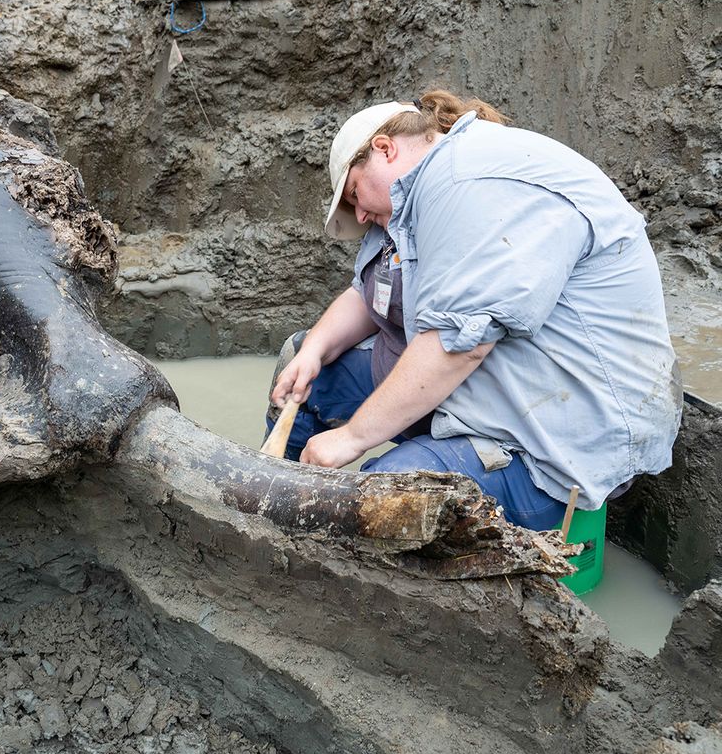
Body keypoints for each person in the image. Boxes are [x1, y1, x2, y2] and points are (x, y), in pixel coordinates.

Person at [268, 90, 682, 530]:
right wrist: (313, 349)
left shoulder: (471, 181)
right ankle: (277, 514)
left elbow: (459, 346)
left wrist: (350, 440)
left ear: (384, 149)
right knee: (310, 381)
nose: (362, 216)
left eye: (354, 194)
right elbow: (369, 294)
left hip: (551, 443)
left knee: (385, 499)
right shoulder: (409, 203)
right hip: (479, 396)